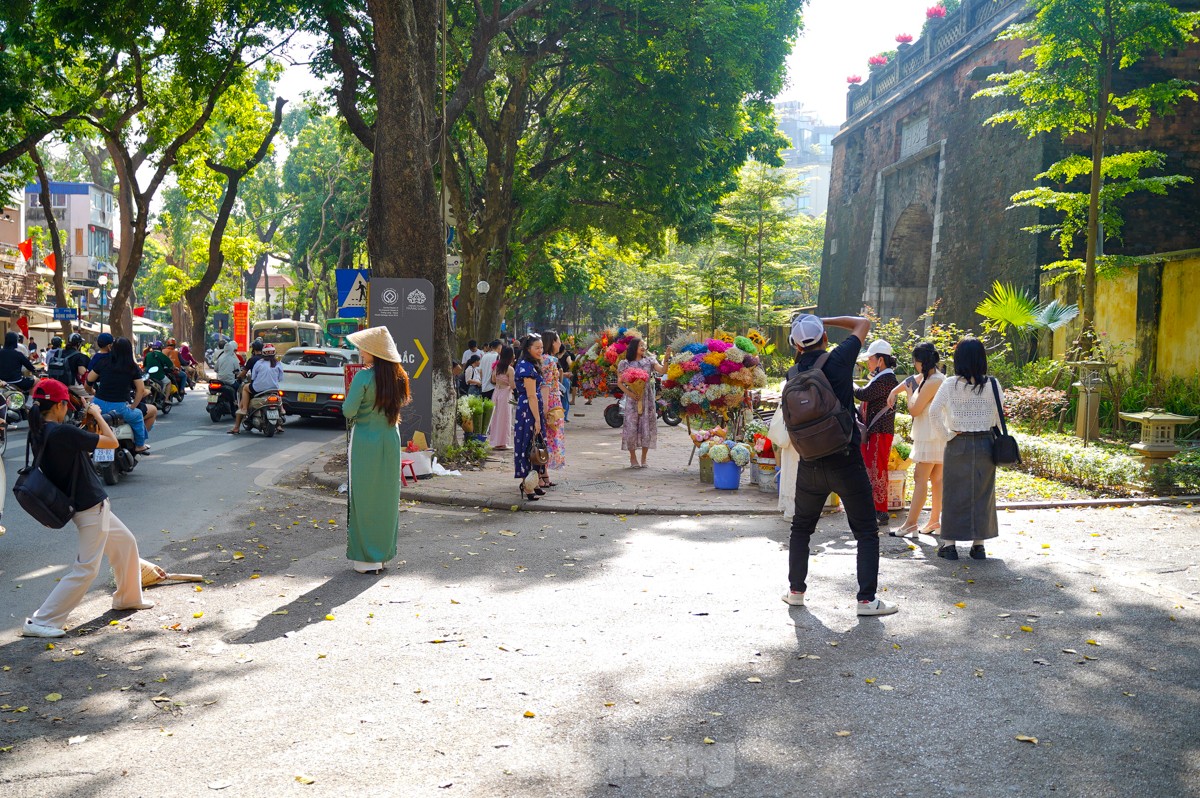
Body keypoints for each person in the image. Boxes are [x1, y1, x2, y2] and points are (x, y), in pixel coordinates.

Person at [781, 314, 898, 617]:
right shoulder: (839, 360)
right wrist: (824, 318)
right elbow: (863, 323)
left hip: (810, 462)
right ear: (824, 337)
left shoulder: (793, 373)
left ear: (795, 344)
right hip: (845, 460)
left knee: (801, 529)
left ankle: (796, 591)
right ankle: (866, 600)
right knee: (866, 531)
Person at [18, 379, 153, 638]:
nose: (68, 410)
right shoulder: (62, 433)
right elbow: (111, 442)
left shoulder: (39, 431)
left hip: (86, 504)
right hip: (89, 506)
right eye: (66, 406)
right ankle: (41, 620)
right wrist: (96, 414)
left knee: (125, 543)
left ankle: (127, 597)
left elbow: (72, 447)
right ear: (58, 406)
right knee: (87, 568)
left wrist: (86, 418)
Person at [343, 326, 411, 573]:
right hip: (390, 439)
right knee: (386, 498)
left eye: (364, 347)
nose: (360, 351)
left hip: (365, 441)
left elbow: (348, 411)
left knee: (363, 497)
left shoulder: (363, 377)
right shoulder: (399, 377)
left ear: (374, 351)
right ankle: (381, 556)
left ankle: (364, 559)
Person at [928, 337, 1002, 560]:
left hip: (957, 443)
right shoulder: (993, 384)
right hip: (986, 443)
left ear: (959, 358)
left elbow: (933, 412)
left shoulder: (951, 384)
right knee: (983, 492)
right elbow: (999, 417)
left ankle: (949, 545)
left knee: (952, 493)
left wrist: (948, 436)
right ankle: (978, 545)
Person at [887, 342, 947, 537]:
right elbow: (912, 380)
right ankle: (934, 522)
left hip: (930, 436)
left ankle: (911, 524)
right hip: (935, 435)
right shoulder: (932, 377)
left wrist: (910, 393)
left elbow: (914, 409)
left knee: (920, 478)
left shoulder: (933, 382)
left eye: (915, 362)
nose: (914, 366)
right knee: (936, 479)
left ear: (921, 361)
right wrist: (894, 391)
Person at [853, 340, 899, 527]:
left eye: (870, 359)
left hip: (881, 431)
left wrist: (850, 384)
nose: (868, 363)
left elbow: (863, 395)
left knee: (878, 469)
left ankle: (881, 511)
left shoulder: (887, 379)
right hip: (875, 431)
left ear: (880, 360)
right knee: (872, 469)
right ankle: (873, 508)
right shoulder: (882, 378)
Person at [87, 337, 150, 454]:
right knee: (138, 415)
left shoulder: (103, 362)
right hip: (119, 409)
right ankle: (140, 445)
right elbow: (140, 390)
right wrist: (133, 406)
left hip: (98, 405)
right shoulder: (132, 367)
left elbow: (88, 381)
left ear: (112, 348)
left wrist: (92, 392)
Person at [616, 337, 666, 468]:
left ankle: (644, 458)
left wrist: (666, 359)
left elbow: (663, 371)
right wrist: (631, 393)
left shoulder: (649, 361)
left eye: (644, 345)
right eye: (640, 346)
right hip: (632, 400)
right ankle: (633, 458)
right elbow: (620, 383)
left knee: (646, 426)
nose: (643, 348)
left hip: (647, 398)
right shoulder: (624, 363)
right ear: (634, 348)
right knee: (631, 427)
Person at [513, 334, 547, 501]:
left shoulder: (531, 364)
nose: (540, 350)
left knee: (536, 445)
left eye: (541, 347)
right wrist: (538, 420)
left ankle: (533, 482)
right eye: (537, 348)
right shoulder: (526, 367)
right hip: (528, 410)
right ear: (528, 349)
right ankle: (526, 486)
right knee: (527, 445)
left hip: (532, 409)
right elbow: (531, 395)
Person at [230, 343, 284, 434]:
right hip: (273, 389)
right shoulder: (278, 364)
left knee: (245, 388)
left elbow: (253, 377)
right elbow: (280, 378)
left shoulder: (257, 362)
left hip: (258, 388)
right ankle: (281, 413)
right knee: (278, 393)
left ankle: (243, 412)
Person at [540, 331, 567, 479]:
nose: (560, 343)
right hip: (551, 402)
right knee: (550, 436)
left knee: (546, 437)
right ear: (552, 342)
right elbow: (546, 384)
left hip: (549, 400)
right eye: (558, 340)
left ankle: (544, 473)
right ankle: (543, 473)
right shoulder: (550, 360)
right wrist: (545, 407)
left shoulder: (542, 359)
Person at [487, 345, 515, 450]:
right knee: (505, 417)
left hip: (496, 392)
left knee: (496, 417)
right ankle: (503, 442)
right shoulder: (510, 369)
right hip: (505, 393)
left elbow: (493, 380)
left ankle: (495, 440)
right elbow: (512, 385)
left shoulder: (497, 367)